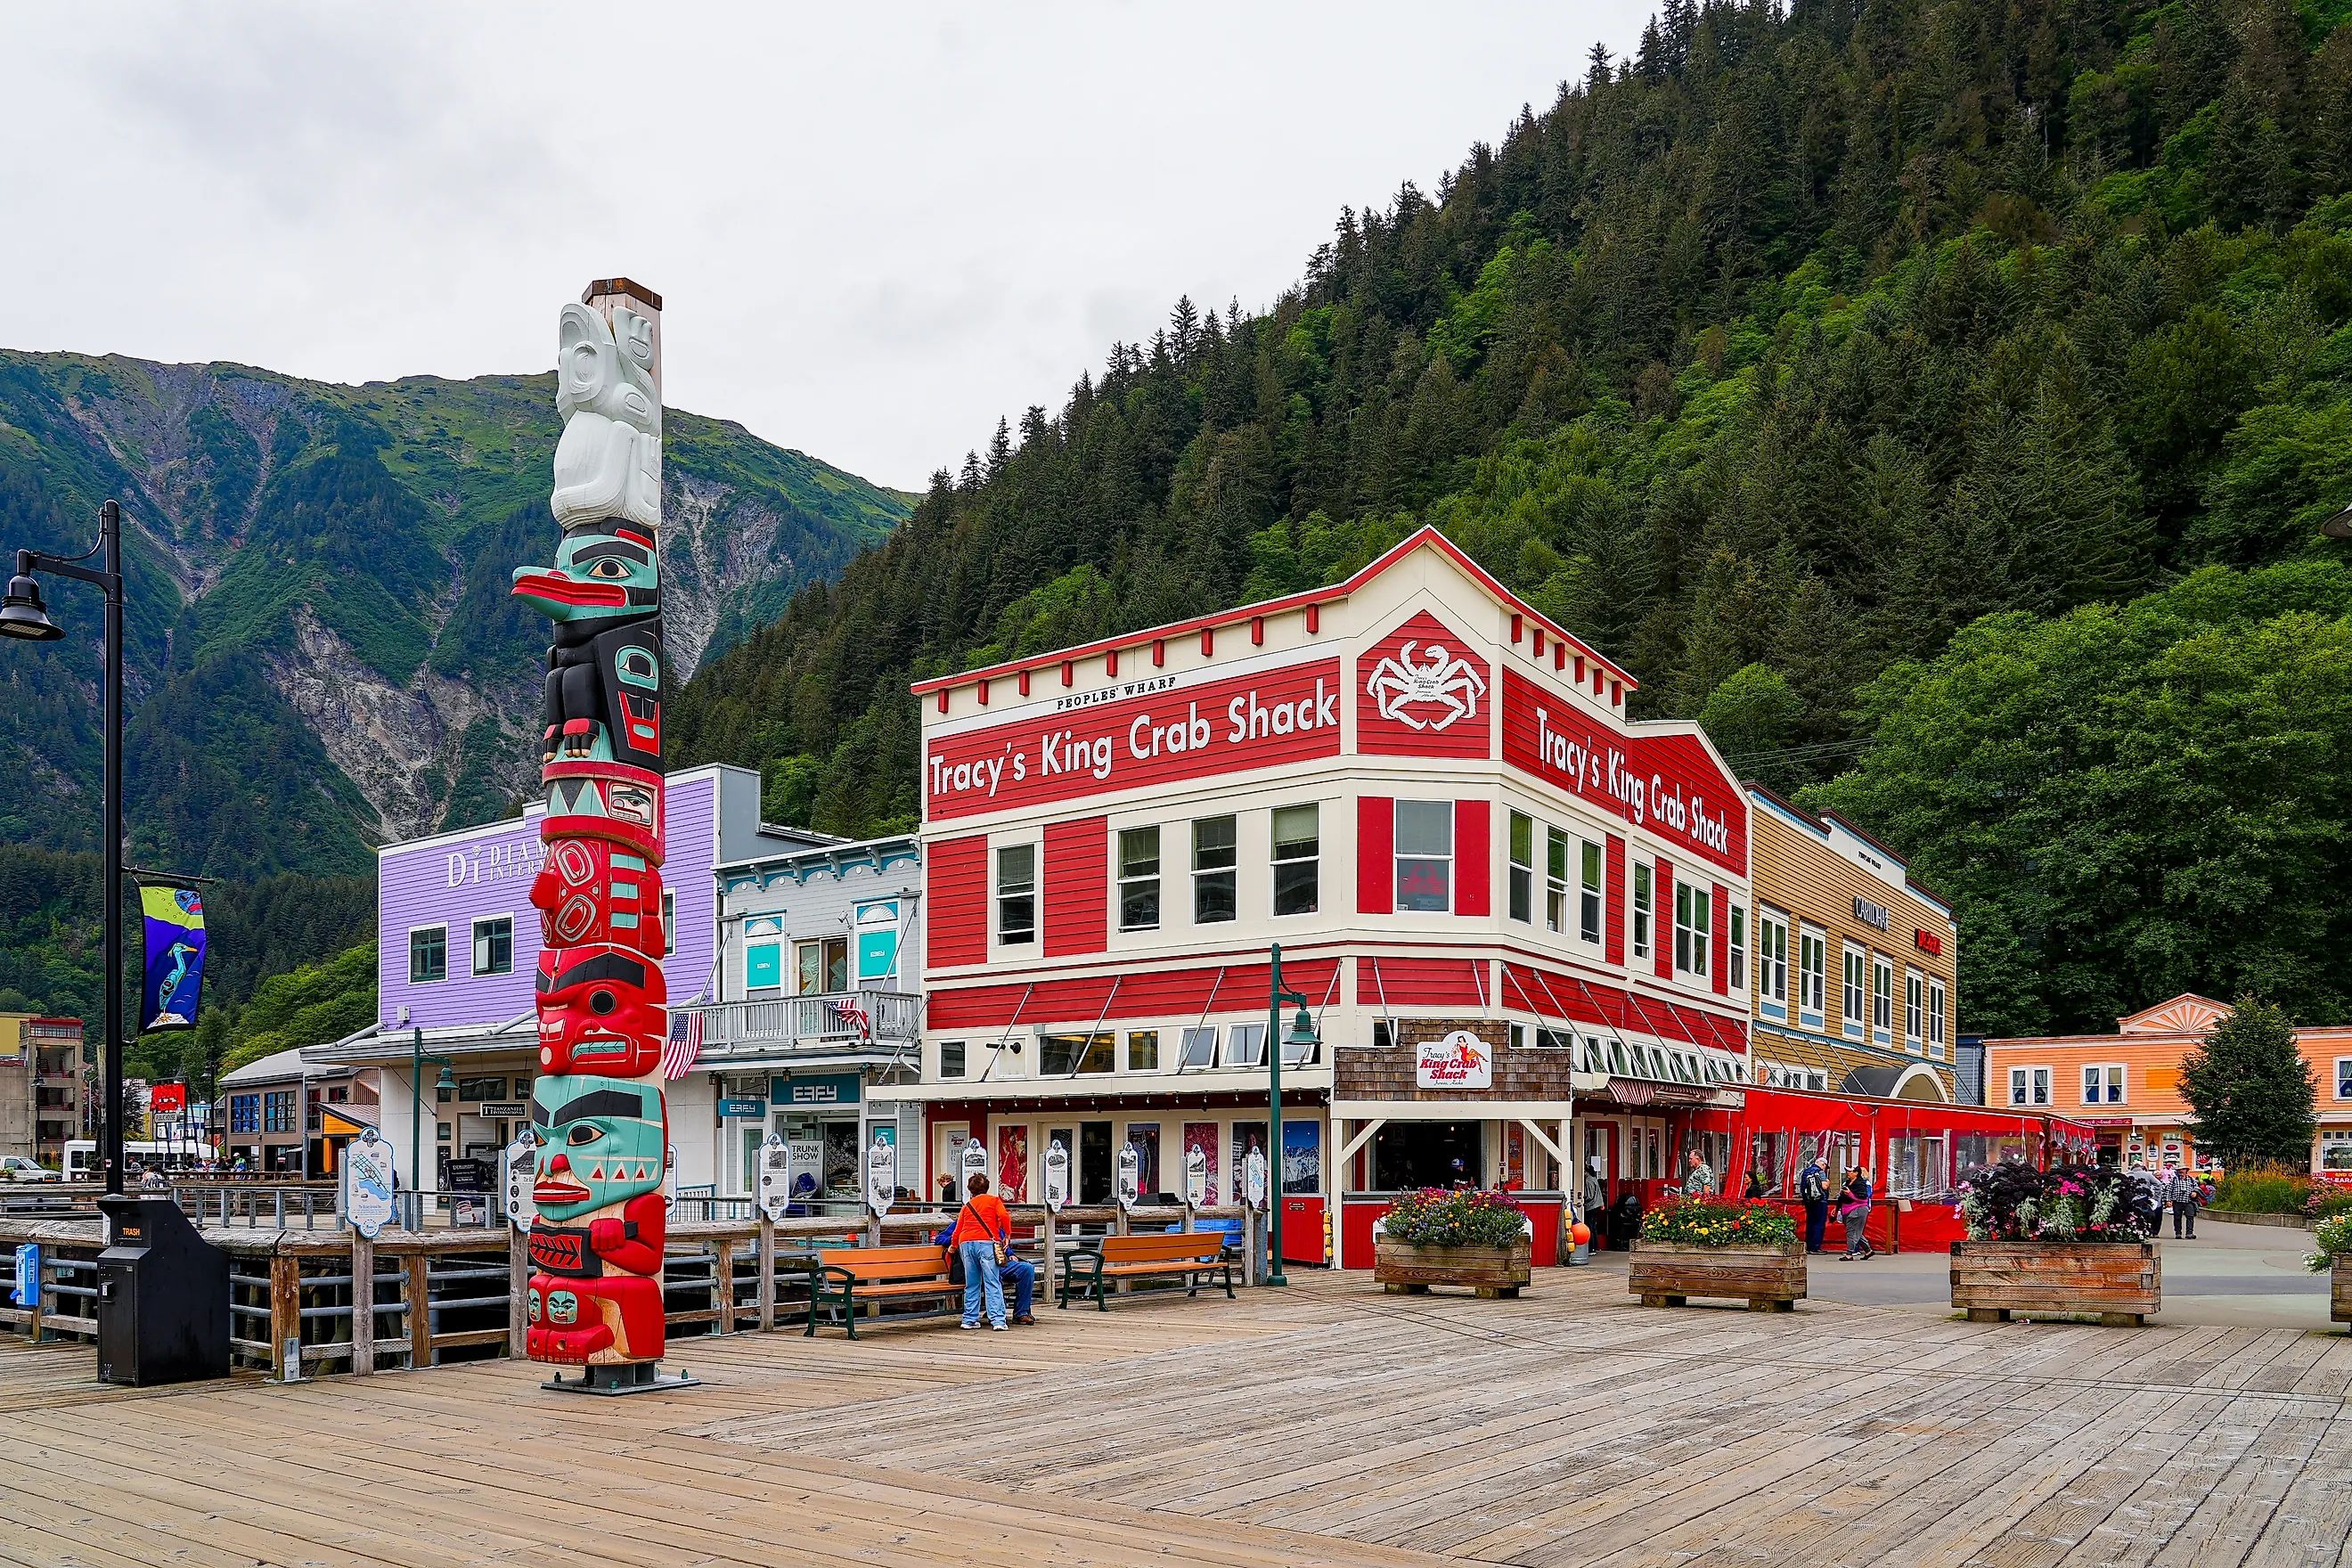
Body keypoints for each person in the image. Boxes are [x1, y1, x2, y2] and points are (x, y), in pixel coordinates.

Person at [950, 1172, 1012, 1330]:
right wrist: (1008, 1234)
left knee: (972, 1283)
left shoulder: (967, 1206)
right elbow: (1004, 1216)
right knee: (992, 1281)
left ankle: (969, 1319)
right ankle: (998, 1320)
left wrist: (953, 1246)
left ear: (971, 1190)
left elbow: (957, 1229)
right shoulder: (994, 1200)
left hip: (966, 1243)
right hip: (986, 1243)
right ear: (987, 1187)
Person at [1837, 1167, 1874, 1260]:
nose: (1848, 1173)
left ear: (1856, 1173)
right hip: (1847, 1209)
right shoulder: (1847, 1183)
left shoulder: (1862, 1184)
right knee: (1856, 1232)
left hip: (1857, 1210)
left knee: (1851, 1232)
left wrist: (1849, 1193)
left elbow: (1863, 1199)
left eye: (1850, 1171)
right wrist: (1837, 1208)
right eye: (1847, 1171)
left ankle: (1849, 1254)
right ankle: (1868, 1250)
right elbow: (1841, 1197)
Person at [1798, 1154, 1831, 1254]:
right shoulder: (1820, 1172)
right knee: (1819, 1223)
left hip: (1809, 1201)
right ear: (1823, 1164)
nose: (1825, 1168)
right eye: (1825, 1166)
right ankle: (1815, 1247)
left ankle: (1808, 1245)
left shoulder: (1806, 1172)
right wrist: (1828, 1182)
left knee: (1810, 1223)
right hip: (1820, 1201)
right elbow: (1824, 1186)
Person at [2164, 1164, 2201, 1239]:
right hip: (2177, 1202)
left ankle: (2189, 1233)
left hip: (2189, 1201)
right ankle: (2178, 1233)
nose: (2181, 1171)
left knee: (2190, 1217)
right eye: (2179, 1170)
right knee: (2177, 1218)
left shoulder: (2191, 1179)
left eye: (2182, 1169)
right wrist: (2168, 1200)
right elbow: (2169, 1190)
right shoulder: (2174, 1179)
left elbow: (2196, 1187)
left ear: (2186, 1171)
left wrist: (2195, 1192)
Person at [1582, 1159, 1608, 1249]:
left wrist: (1582, 1198)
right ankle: (1595, 1247)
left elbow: (1589, 1196)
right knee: (1593, 1227)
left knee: (1589, 1227)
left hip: (1591, 1206)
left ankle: (1591, 1247)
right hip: (1597, 1205)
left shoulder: (1588, 1181)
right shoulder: (1593, 1179)